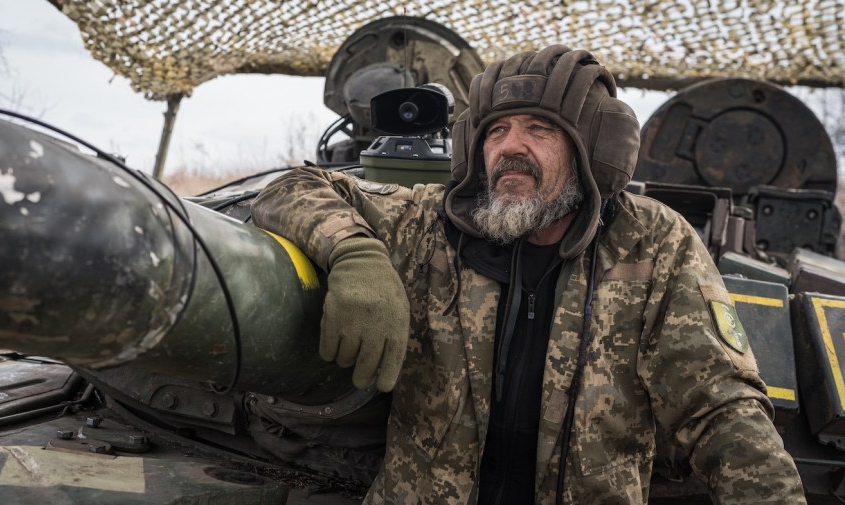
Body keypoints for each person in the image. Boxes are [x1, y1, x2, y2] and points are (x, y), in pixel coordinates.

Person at [251, 45, 805, 504]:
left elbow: (719, 407)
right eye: (496, 132)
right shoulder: (430, 222)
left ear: (591, 150)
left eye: (539, 129)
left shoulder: (652, 242)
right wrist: (355, 254)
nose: (510, 147)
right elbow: (288, 188)